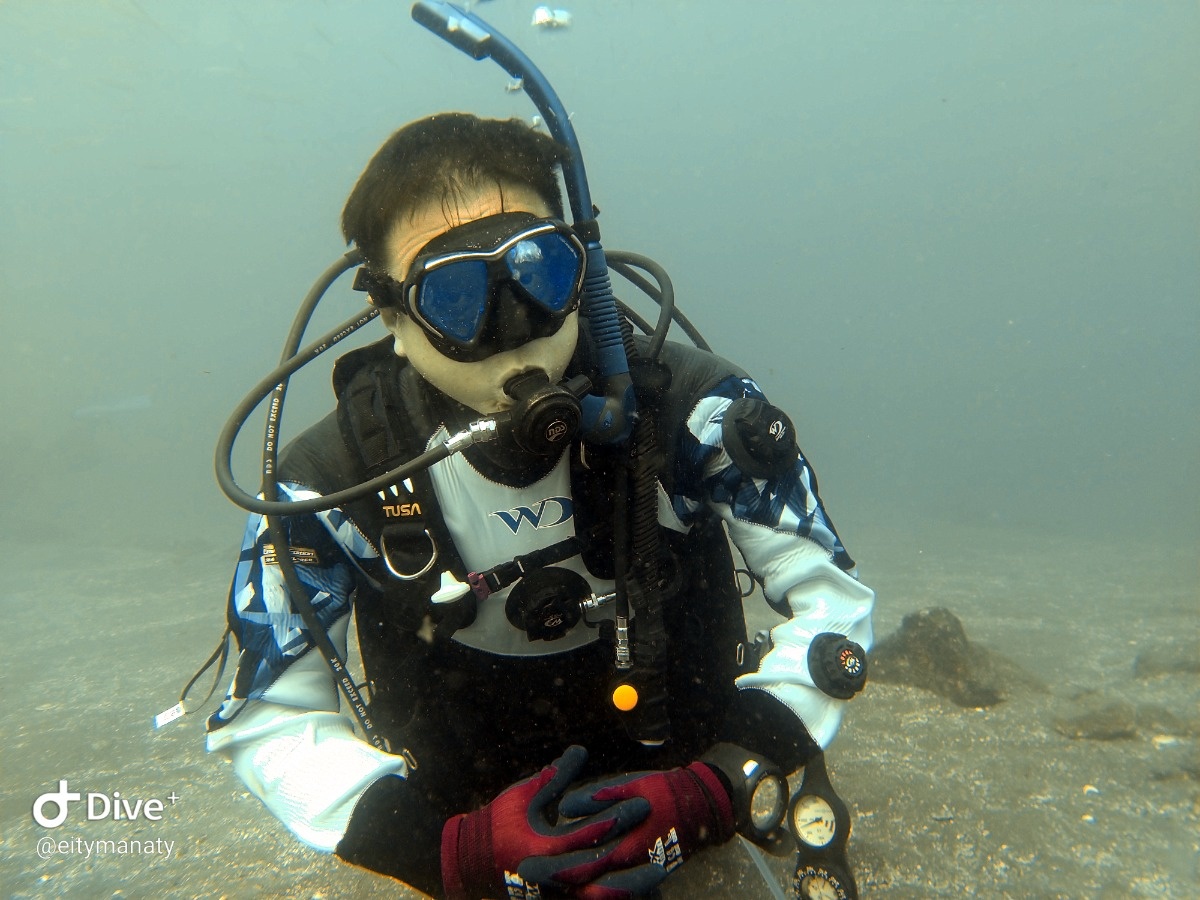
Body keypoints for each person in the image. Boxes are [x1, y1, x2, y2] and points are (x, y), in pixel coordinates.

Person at [206, 112, 875, 900]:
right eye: (456, 295)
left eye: (537, 271)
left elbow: (832, 603)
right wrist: (448, 854)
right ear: (393, 320)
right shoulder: (329, 484)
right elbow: (268, 717)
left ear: (581, 268)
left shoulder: (694, 411)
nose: (513, 325)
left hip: (689, 755)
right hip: (464, 806)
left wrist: (721, 784)